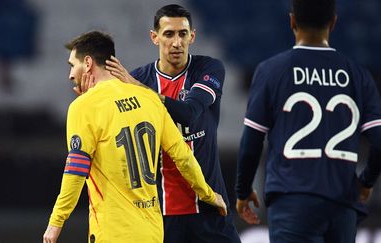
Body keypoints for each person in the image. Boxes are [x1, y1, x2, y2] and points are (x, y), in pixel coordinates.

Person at [42, 31, 228, 243]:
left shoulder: (83, 107)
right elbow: (183, 156)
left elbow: (75, 171)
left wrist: (55, 223)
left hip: (113, 233)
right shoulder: (149, 98)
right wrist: (209, 195)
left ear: (87, 62)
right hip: (152, 232)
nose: (70, 75)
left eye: (71, 65)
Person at [234, 0, 381, 242]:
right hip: (342, 204)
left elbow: (251, 142)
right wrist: (365, 182)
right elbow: (379, 142)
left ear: (292, 21)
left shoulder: (271, 70)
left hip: (293, 200)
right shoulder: (359, 75)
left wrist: (243, 190)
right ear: (334, 23)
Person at [105, 4, 241, 243]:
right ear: (154, 37)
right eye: (169, 34)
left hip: (210, 207)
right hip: (161, 214)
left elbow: (188, 113)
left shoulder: (208, 69)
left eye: (182, 34)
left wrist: (138, 91)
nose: (177, 42)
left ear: (192, 36)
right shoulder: (140, 79)